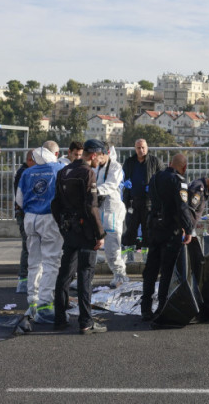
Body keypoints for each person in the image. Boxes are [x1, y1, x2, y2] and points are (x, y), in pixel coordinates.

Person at [52, 139, 107, 334]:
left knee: (65, 274)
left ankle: (59, 318)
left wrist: (62, 226)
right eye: (100, 158)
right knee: (85, 275)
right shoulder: (87, 173)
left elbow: (55, 204)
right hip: (85, 231)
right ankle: (86, 321)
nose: (100, 162)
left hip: (69, 230)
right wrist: (100, 234)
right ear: (93, 155)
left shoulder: (63, 172)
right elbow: (91, 208)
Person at [140, 154, 195, 323]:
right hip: (171, 229)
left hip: (154, 227)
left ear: (170, 163)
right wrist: (189, 229)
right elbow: (183, 207)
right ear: (184, 168)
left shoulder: (156, 177)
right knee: (167, 271)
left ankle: (145, 308)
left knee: (150, 269)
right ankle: (162, 307)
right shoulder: (179, 181)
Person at [15, 141, 65, 323]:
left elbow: (19, 200)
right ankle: (45, 306)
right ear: (55, 153)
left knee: (34, 262)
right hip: (49, 218)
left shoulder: (27, 172)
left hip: (30, 218)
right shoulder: (59, 169)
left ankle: (33, 302)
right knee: (51, 262)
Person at [96, 145, 129, 288]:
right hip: (97, 208)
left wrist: (93, 191)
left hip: (111, 209)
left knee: (112, 246)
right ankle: (84, 276)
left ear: (104, 154)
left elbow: (110, 185)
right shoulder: (95, 167)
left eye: (96, 155)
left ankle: (120, 275)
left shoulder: (115, 167)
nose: (94, 158)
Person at [121, 139, 163, 249]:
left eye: (143, 147)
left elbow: (163, 178)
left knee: (147, 230)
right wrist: (124, 183)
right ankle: (128, 257)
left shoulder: (155, 161)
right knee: (130, 230)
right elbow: (122, 177)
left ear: (147, 147)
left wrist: (154, 186)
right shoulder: (129, 162)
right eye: (138, 148)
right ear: (135, 149)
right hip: (132, 201)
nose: (141, 150)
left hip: (148, 202)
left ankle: (145, 258)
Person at [13, 148, 35, 294]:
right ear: (29, 160)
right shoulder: (24, 173)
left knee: (29, 245)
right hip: (24, 213)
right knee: (27, 246)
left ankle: (26, 278)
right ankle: (23, 278)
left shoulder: (26, 171)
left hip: (26, 213)